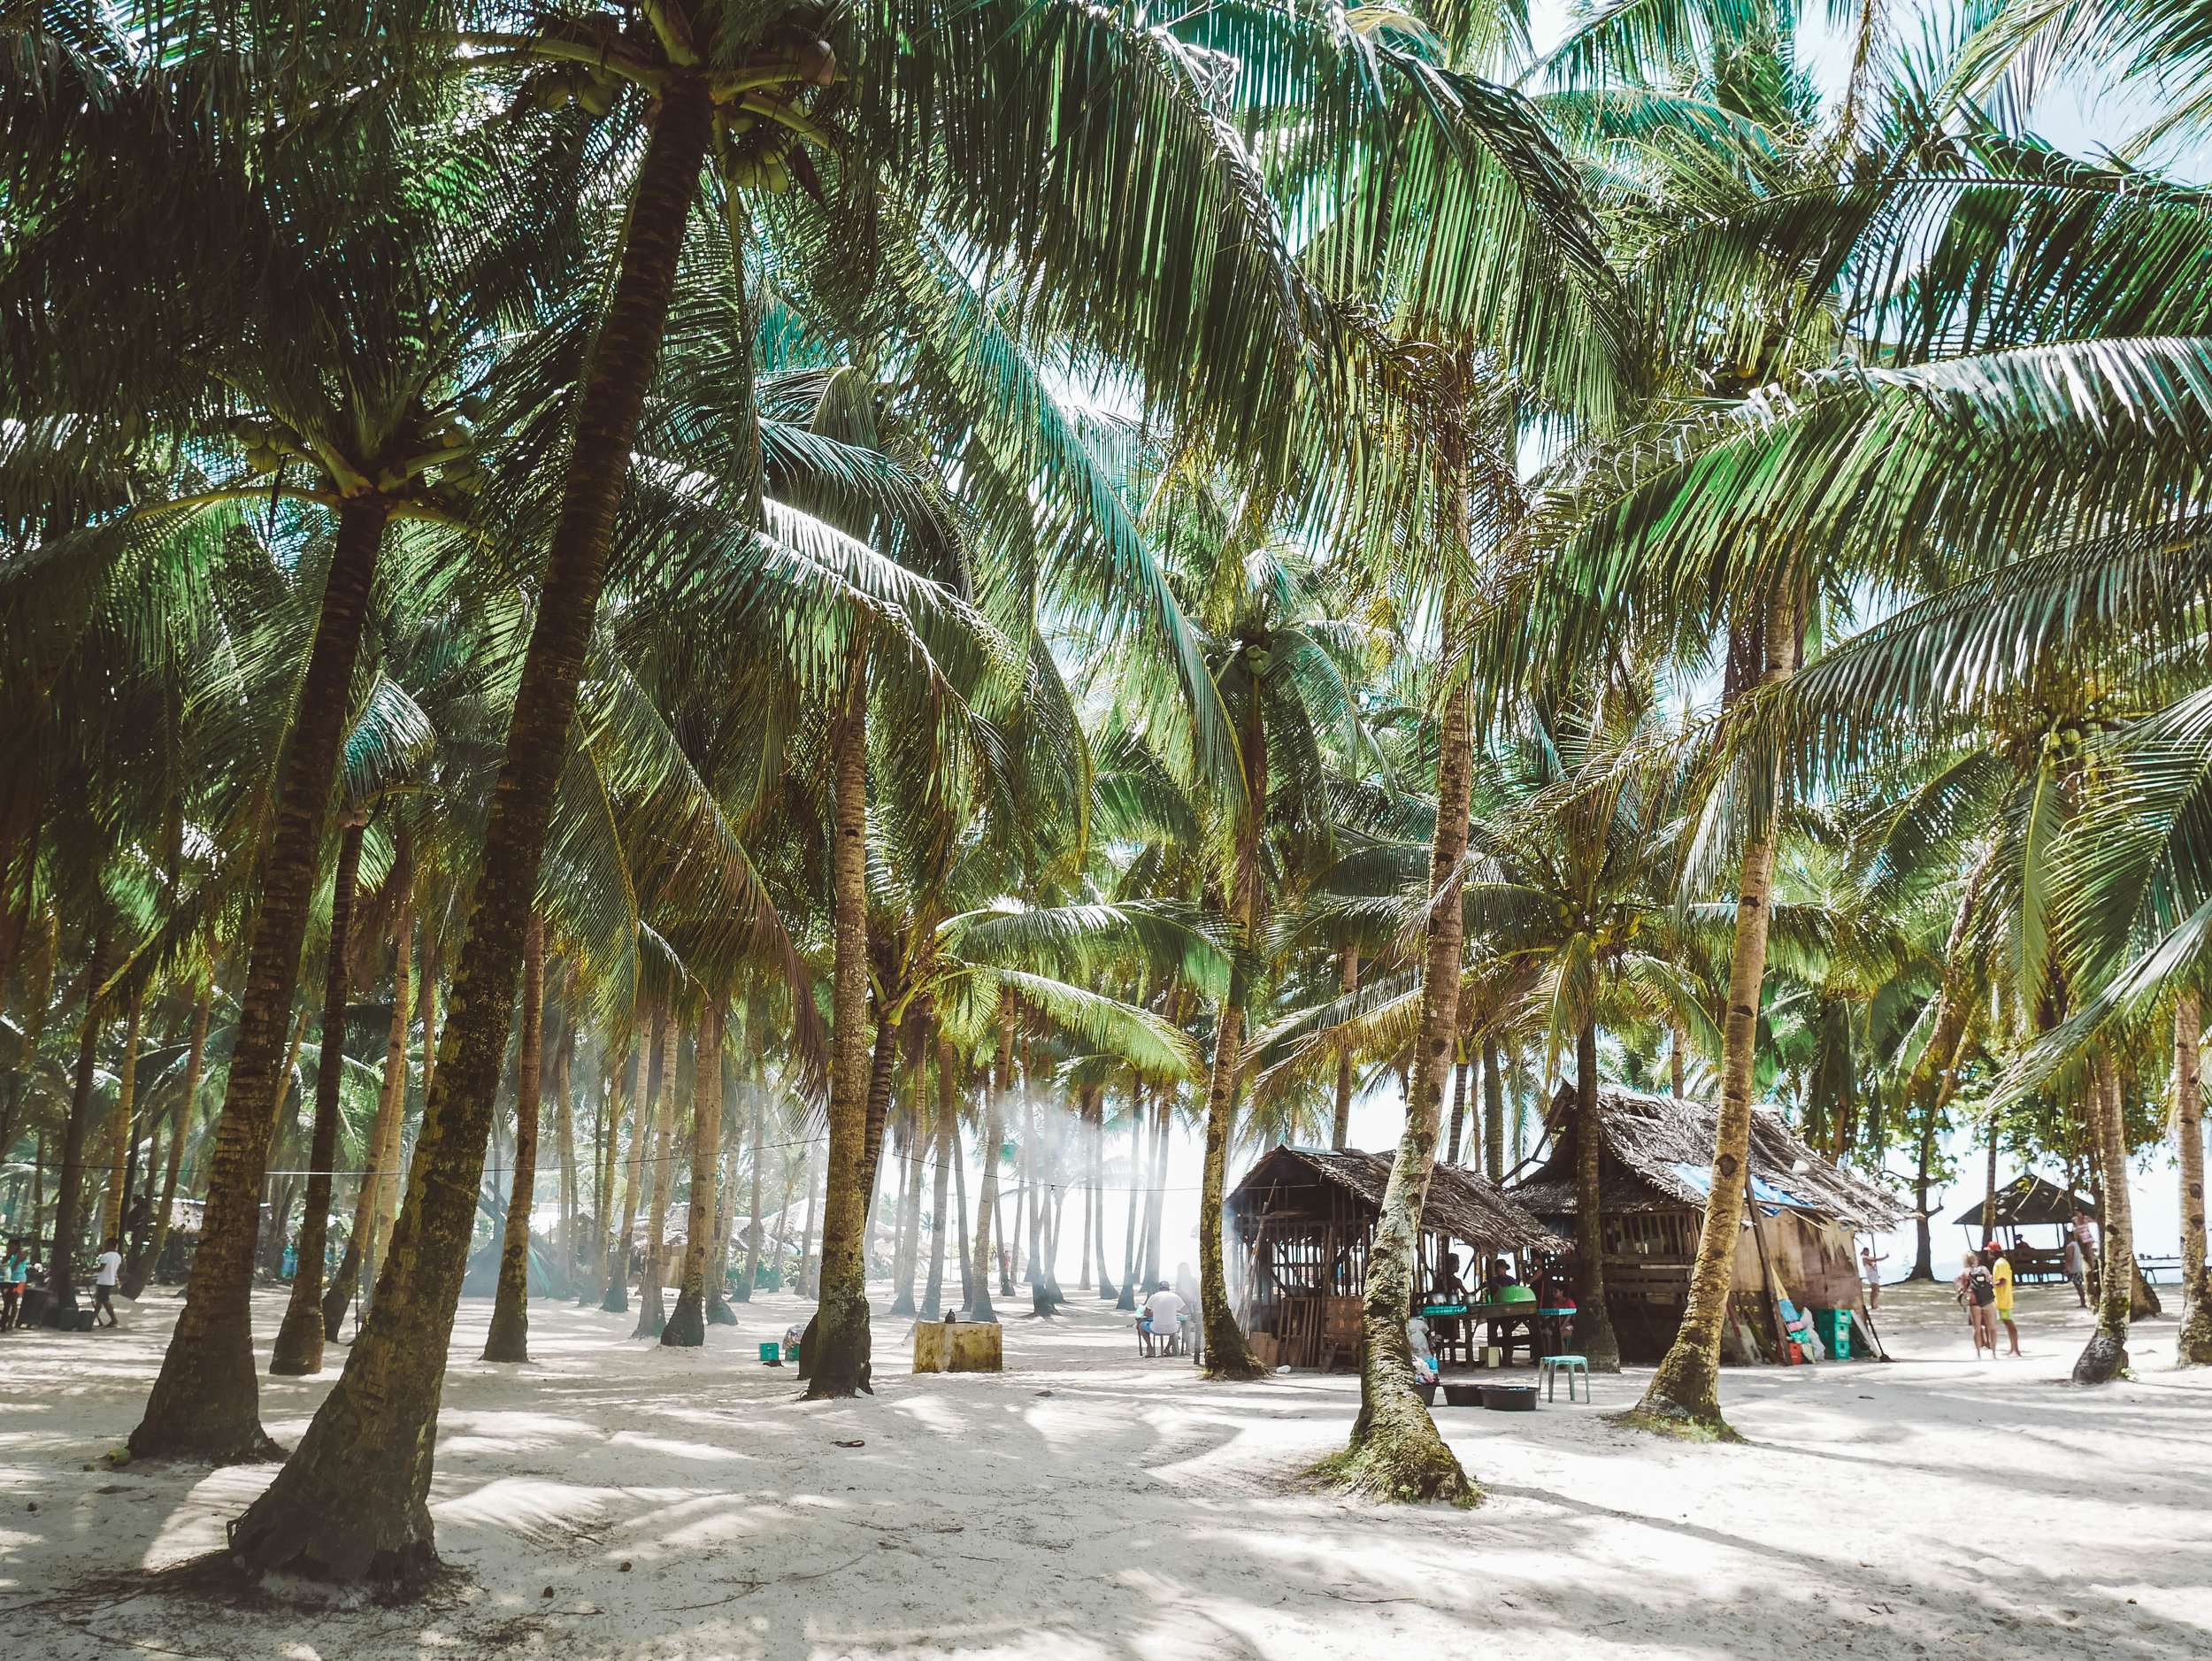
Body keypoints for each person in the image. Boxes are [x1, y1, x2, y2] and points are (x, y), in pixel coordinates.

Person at [1956, 1250, 1996, 1357]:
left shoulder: (1963, 1272)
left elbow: (1959, 1286)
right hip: (1988, 1300)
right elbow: (1992, 1282)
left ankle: (1978, 1353)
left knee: (1977, 1328)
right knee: (1991, 1327)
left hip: (1974, 1301)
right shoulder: (1983, 1269)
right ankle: (1994, 1353)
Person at [1988, 1242, 2021, 1356]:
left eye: (1989, 1251)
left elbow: (2003, 1281)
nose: (1988, 1253)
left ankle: (2015, 1349)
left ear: (1993, 1252)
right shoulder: (2001, 1262)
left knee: (2009, 1323)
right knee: (2007, 1323)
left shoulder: (2000, 1264)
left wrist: (1992, 1284)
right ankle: (2013, 1348)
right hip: (2003, 1298)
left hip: (2003, 1298)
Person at [1140, 1283, 1185, 1356]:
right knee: (1179, 1325)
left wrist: (1157, 1312)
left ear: (1159, 1289)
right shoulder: (1175, 1296)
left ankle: (1150, 1348)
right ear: (1168, 1289)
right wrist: (1173, 1311)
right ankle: (1167, 1348)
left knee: (1141, 1325)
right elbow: (1185, 1310)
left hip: (1156, 1328)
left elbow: (1146, 1313)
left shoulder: (1153, 1297)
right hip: (1172, 1329)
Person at [92, 1235, 124, 1327]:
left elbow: (101, 1269)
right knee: (100, 1300)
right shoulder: (118, 1256)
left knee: (103, 1300)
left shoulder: (105, 1256)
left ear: (109, 1245)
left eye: (106, 1244)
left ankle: (113, 1319)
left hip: (103, 1281)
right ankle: (95, 1318)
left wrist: (91, 1270)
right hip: (110, 1280)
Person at [0, 1237, 25, 1331]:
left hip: (19, 1280)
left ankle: (10, 1323)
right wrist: (7, 1255)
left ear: (17, 1246)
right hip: (8, 1280)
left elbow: (14, 1266)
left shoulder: (21, 1254)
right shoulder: (10, 1255)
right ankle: (4, 1320)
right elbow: (3, 1262)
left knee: (14, 1301)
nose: (10, 1248)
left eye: (12, 1246)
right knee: (6, 1300)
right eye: (8, 1246)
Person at [2062, 1234, 2090, 1308]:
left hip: (2075, 1268)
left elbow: (2069, 1259)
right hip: (2084, 1267)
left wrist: (2066, 1270)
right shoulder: (2083, 1245)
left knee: (2079, 1287)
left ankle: (2083, 1303)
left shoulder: (2070, 1246)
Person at [1859, 1244, 1887, 1309]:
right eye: (1866, 1251)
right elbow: (1875, 1260)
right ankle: (1873, 1305)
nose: (1867, 1252)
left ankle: (1875, 1304)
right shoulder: (1864, 1258)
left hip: (1874, 1274)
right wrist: (1884, 1257)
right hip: (1871, 1274)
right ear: (1864, 1252)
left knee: (1877, 1289)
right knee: (1874, 1289)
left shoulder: (1869, 1258)